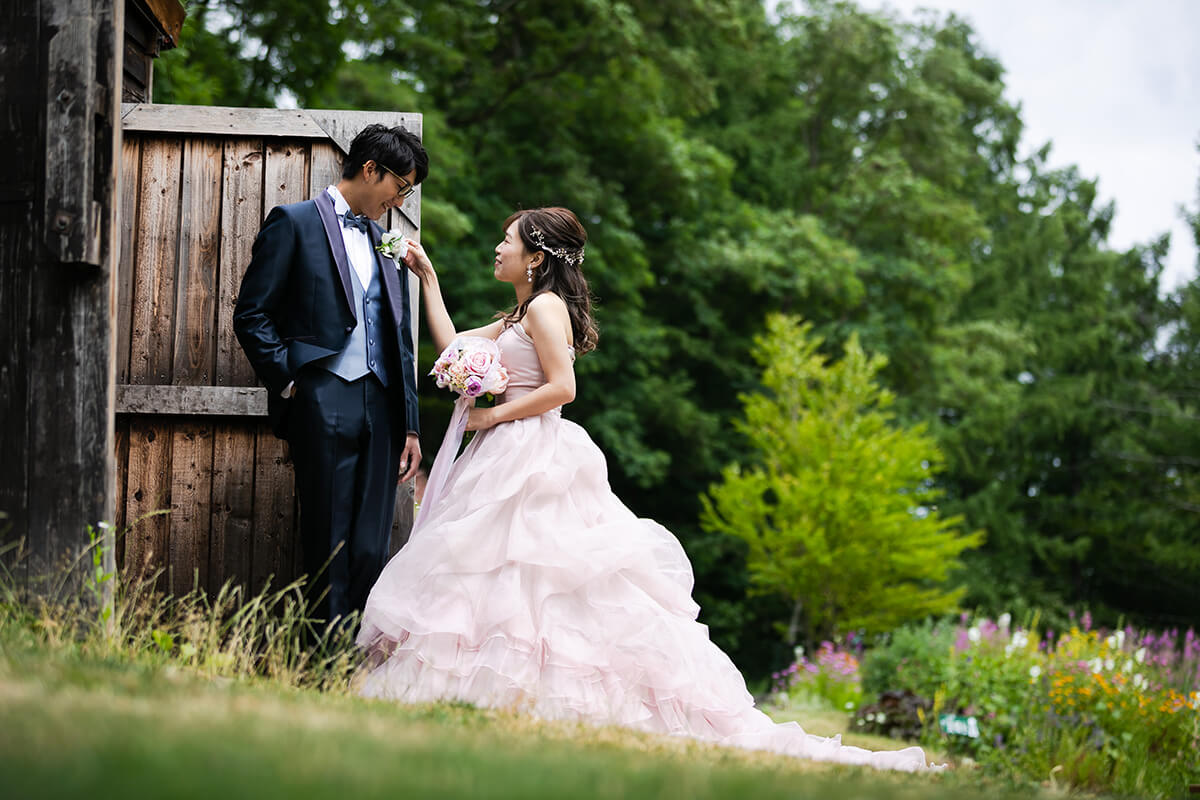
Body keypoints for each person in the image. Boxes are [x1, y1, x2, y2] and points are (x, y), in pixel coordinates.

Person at [356, 207, 937, 772]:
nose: (499, 249)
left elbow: (564, 388)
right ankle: (489, 697)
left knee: (537, 574)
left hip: (531, 452)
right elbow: (455, 347)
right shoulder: (516, 315)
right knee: (492, 574)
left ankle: (548, 695)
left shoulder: (547, 308)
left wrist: (490, 418)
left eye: (507, 241)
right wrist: (427, 277)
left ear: (535, 257)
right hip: (501, 454)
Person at [233, 124, 426, 628]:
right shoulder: (293, 223)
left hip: (382, 409)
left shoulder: (388, 243)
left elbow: (399, 336)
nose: (400, 199)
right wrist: (293, 382)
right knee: (327, 540)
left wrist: (409, 424)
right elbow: (252, 314)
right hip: (322, 399)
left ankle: (356, 664)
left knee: (369, 543)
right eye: (399, 186)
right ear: (370, 170)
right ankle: (321, 665)